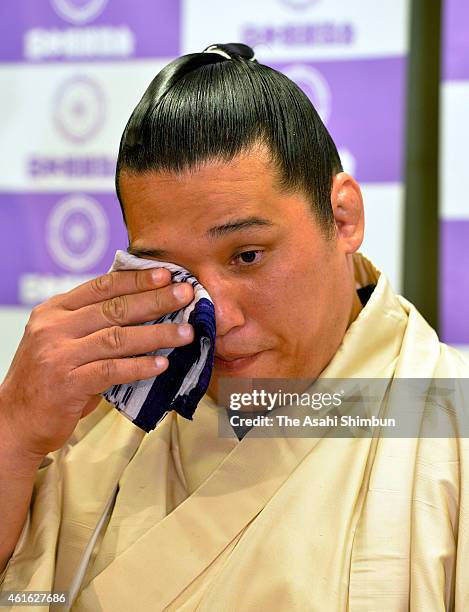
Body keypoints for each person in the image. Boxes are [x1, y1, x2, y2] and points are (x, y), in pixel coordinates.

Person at [0, 42, 468, 611]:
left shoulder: (451, 422)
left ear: (342, 218)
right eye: (171, 271)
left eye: (247, 255)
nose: (212, 316)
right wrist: (13, 435)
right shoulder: (99, 420)